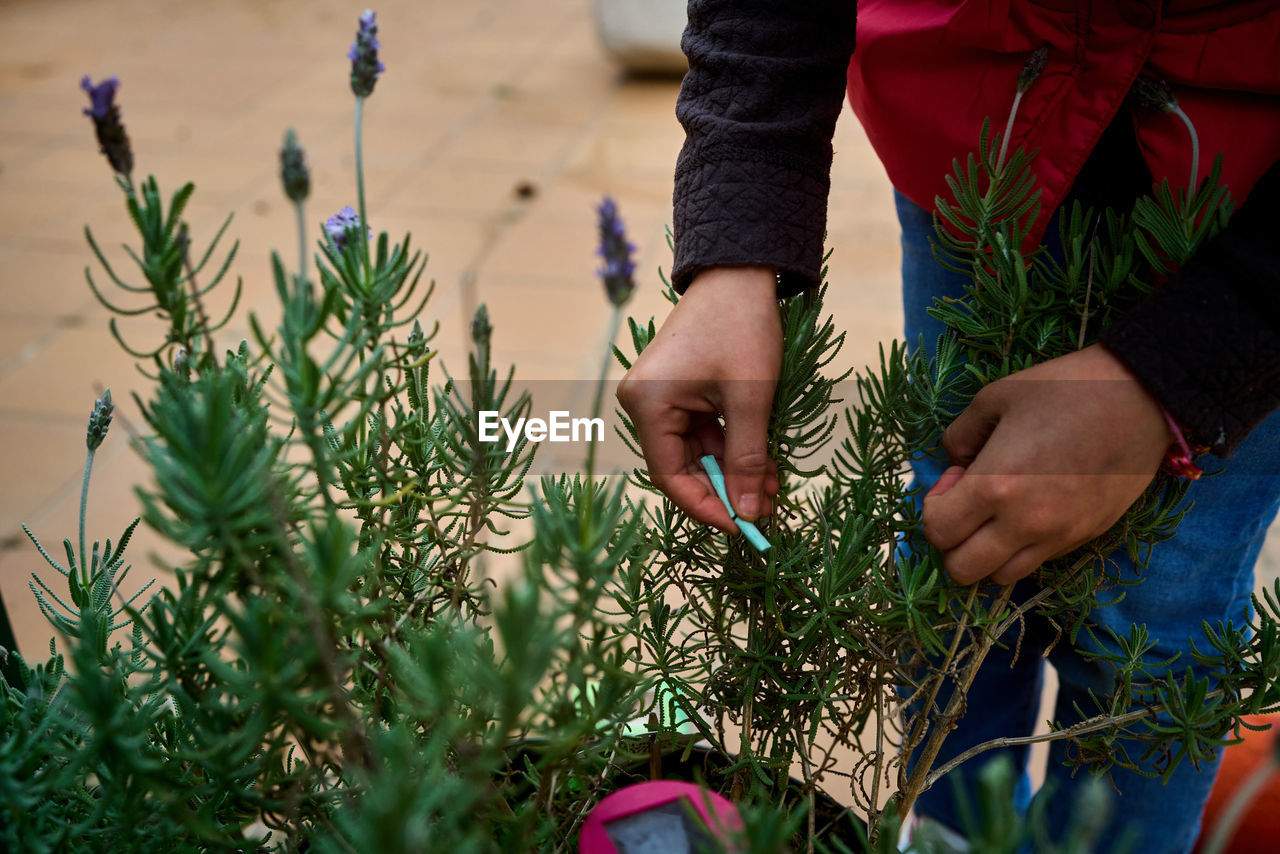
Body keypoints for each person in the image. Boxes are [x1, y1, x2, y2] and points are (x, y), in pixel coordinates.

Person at [615, 2, 1280, 851]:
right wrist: (736, 244)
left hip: (1239, 202)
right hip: (984, 125)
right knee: (957, 539)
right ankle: (946, 833)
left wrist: (1176, 381)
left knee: (1154, 628)